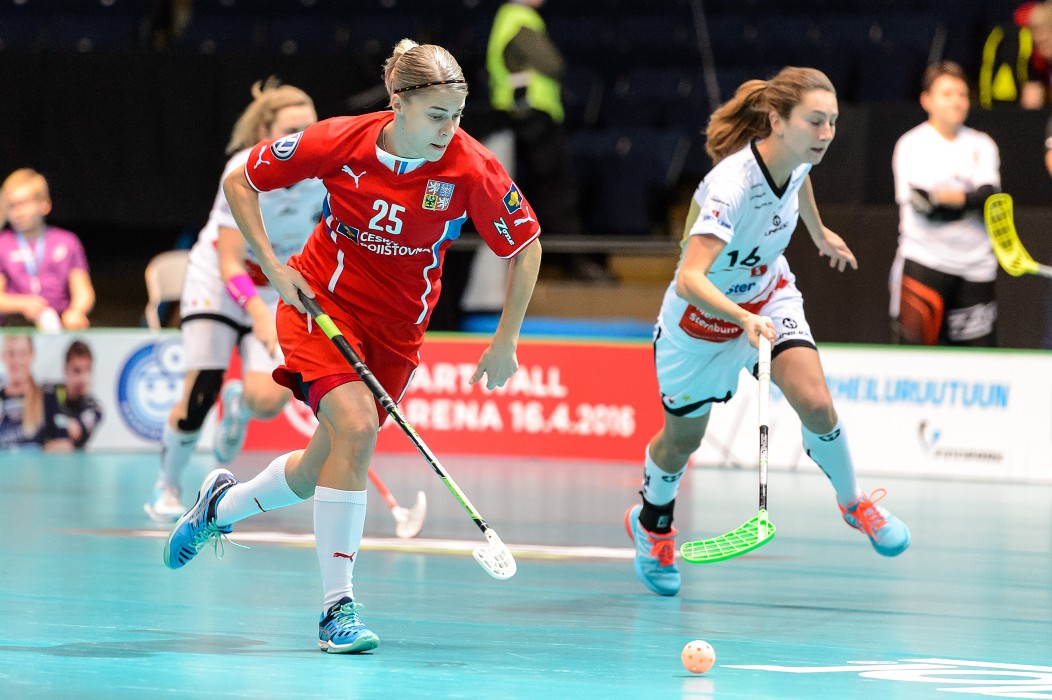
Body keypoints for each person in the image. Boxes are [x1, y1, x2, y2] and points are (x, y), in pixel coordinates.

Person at [163, 40, 542, 653]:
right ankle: (336, 609)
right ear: (399, 104)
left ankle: (219, 509)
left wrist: (506, 340)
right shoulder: (341, 140)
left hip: (397, 333)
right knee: (357, 426)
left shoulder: (470, 168)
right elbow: (243, 180)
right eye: (437, 115)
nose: (450, 130)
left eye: (458, 115)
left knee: (321, 466)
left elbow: (525, 247)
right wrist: (270, 263)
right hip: (323, 306)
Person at [624, 67, 911, 597]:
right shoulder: (729, 188)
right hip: (698, 321)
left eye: (832, 123)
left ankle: (854, 503)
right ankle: (652, 522)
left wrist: (818, 233)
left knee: (817, 404)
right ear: (777, 120)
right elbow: (688, 280)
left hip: (767, 296)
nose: (826, 134)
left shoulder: (798, 158)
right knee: (682, 440)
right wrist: (741, 319)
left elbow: (798, 185)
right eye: (815, 122)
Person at [143, 79, 325, 522]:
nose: (302, 140)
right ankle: (167, 484)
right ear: (267, 132)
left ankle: (240, 405)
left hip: (275, 281)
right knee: (202, 390)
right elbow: (229, 263)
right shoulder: (244, 172)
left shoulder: (325, 173)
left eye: (310, 128)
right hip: (219, 279)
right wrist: (259, 314)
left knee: (270, 399)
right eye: (292, 130)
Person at [486, 0, 608, 282]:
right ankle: (573, 263)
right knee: (557, 192)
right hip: (531, 118)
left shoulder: (511, 19)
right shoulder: (518, 18)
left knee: (535, 193)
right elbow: (552, 64)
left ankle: (545, 262)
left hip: (524, 118)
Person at [890, 62, 1001, 347]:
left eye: (962, 94)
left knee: (980, 366)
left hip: (977, 267)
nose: (956, 100)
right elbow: (925, 207)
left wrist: (944, 196)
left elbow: (988, 197)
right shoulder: (911, 144)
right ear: (927, 100)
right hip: (925, 261)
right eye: (947, 93)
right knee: (914, 359)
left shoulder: (983, 144)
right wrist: (966, 200)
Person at [0, 169, 94, 331]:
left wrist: (76, 311)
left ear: (45, 204)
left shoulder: (67, 241)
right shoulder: (2, 243)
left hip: (59, 322)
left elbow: (83, 290)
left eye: (24, 203)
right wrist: (22, 304)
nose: (17, 212)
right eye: (11, 205)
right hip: (15, 325)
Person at [41, 339, 103, 450]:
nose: (83, 378)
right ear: (66, 370)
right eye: (77, 370)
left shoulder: (95, 407)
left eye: (87, 370)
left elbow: (73, 434)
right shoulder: (47, 393)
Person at [0, 334, 45, 450]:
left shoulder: (46, 397)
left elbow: (62, 445)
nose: (16, 360)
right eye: (11, 353)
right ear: (3, 355)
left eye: (22, 353)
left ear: (32, 355)